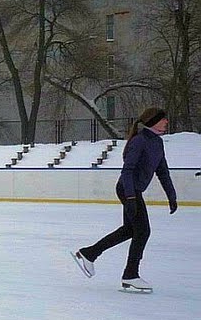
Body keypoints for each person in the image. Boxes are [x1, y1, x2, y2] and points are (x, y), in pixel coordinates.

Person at [71, 107, 177, 292]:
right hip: (128, 190)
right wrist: (130, 197)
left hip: (134, 191)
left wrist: (171, 195)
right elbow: (127, 171)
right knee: (142, 232)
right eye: (163, 119)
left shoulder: (157, 143)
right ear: (153, 121)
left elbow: (163, 172)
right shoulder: (139, 141)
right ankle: (130, 274)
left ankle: (90, 253)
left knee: (129, 230)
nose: (166, 122)